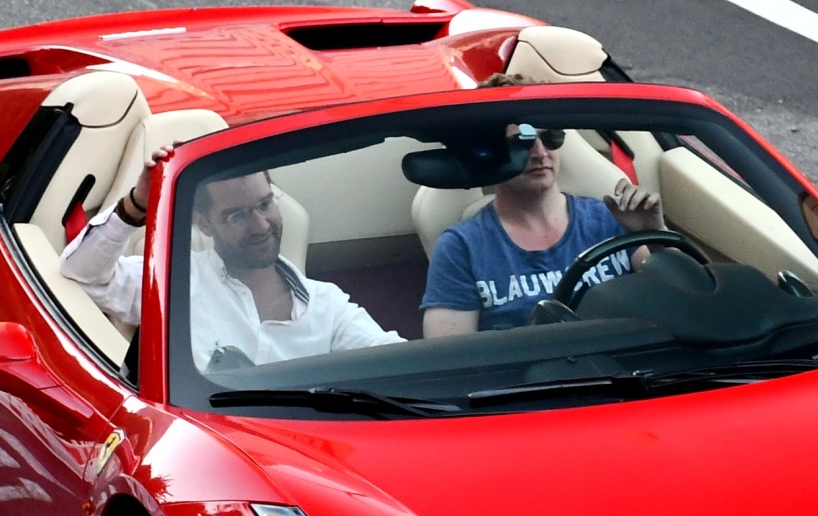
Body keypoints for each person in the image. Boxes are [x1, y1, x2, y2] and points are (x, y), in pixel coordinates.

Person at [62, 153, 403, 371]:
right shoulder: (175, 282)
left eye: (265, 204)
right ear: (205, 224)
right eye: (237, 215)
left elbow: (395, 364)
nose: (260, 225)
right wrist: (137, 203)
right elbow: (83, 273)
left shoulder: (327, 305)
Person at [421, 126, 664, 335]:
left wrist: (656, 235)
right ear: (488, 153)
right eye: (522, 142)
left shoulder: (611, 218)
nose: (540, 152)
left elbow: (687, 300)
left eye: (550, 138)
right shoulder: (461, 248)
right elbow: (452, 363)